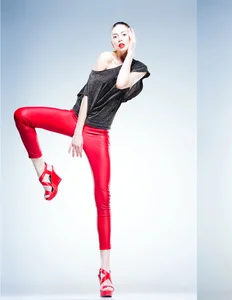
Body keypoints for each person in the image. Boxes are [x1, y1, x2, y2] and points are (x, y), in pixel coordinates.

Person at [13, 21, 150, 298]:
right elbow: (89, 93)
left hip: (99, 135)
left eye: (124, 34)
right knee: (22, 115)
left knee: (103, 197)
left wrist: (132, 51)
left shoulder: (139, 69)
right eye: (115, 36)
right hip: (75, 120)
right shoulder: (103, 58)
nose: (119, 39)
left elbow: (122, 83)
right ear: (110, 40)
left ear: (132, 36)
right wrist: (77, 131)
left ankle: (106, 272)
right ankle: (45, 174)